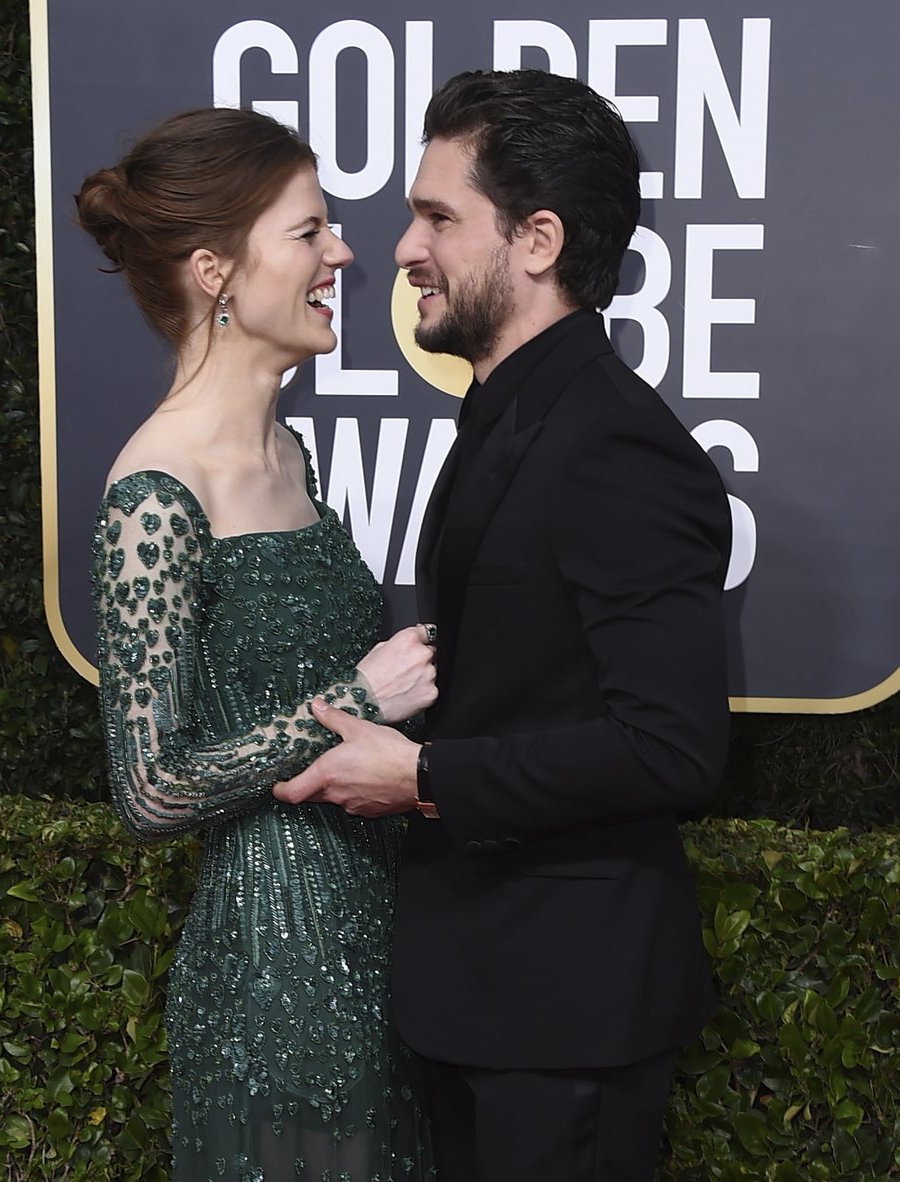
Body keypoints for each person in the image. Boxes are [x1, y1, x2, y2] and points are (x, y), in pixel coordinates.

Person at [274, 69, 732, 1182]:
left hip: (562, 1023)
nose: (402, 249)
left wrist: (424, 777)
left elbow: (670, 747)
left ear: (536, 240)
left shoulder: (613, 445)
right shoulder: (517, 414)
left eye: (438, 217)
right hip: (489, 1002)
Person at [78, 107, 437, 1182]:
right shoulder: (155, 491)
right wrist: (354, 702)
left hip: (386, 938)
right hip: (277, 970)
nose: (343, 253)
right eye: (309, 231)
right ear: (214, 269)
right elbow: (149, 789)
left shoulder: (288, 450)